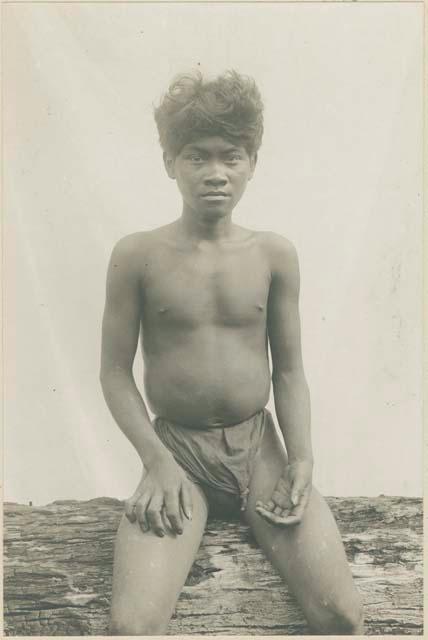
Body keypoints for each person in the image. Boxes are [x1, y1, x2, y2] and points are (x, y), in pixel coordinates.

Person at [100, 70, 364, 635]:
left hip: (259, 451)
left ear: (253, 161)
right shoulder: (137, 255)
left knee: (341, 617)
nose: (216, 173)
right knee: (131, 628)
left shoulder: (274, 254)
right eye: (196, 156)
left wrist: (302, 460)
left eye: (232, 156)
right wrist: (156, 461)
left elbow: (289, 372)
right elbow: (114, 373)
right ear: (169, 160)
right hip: (179, 458)